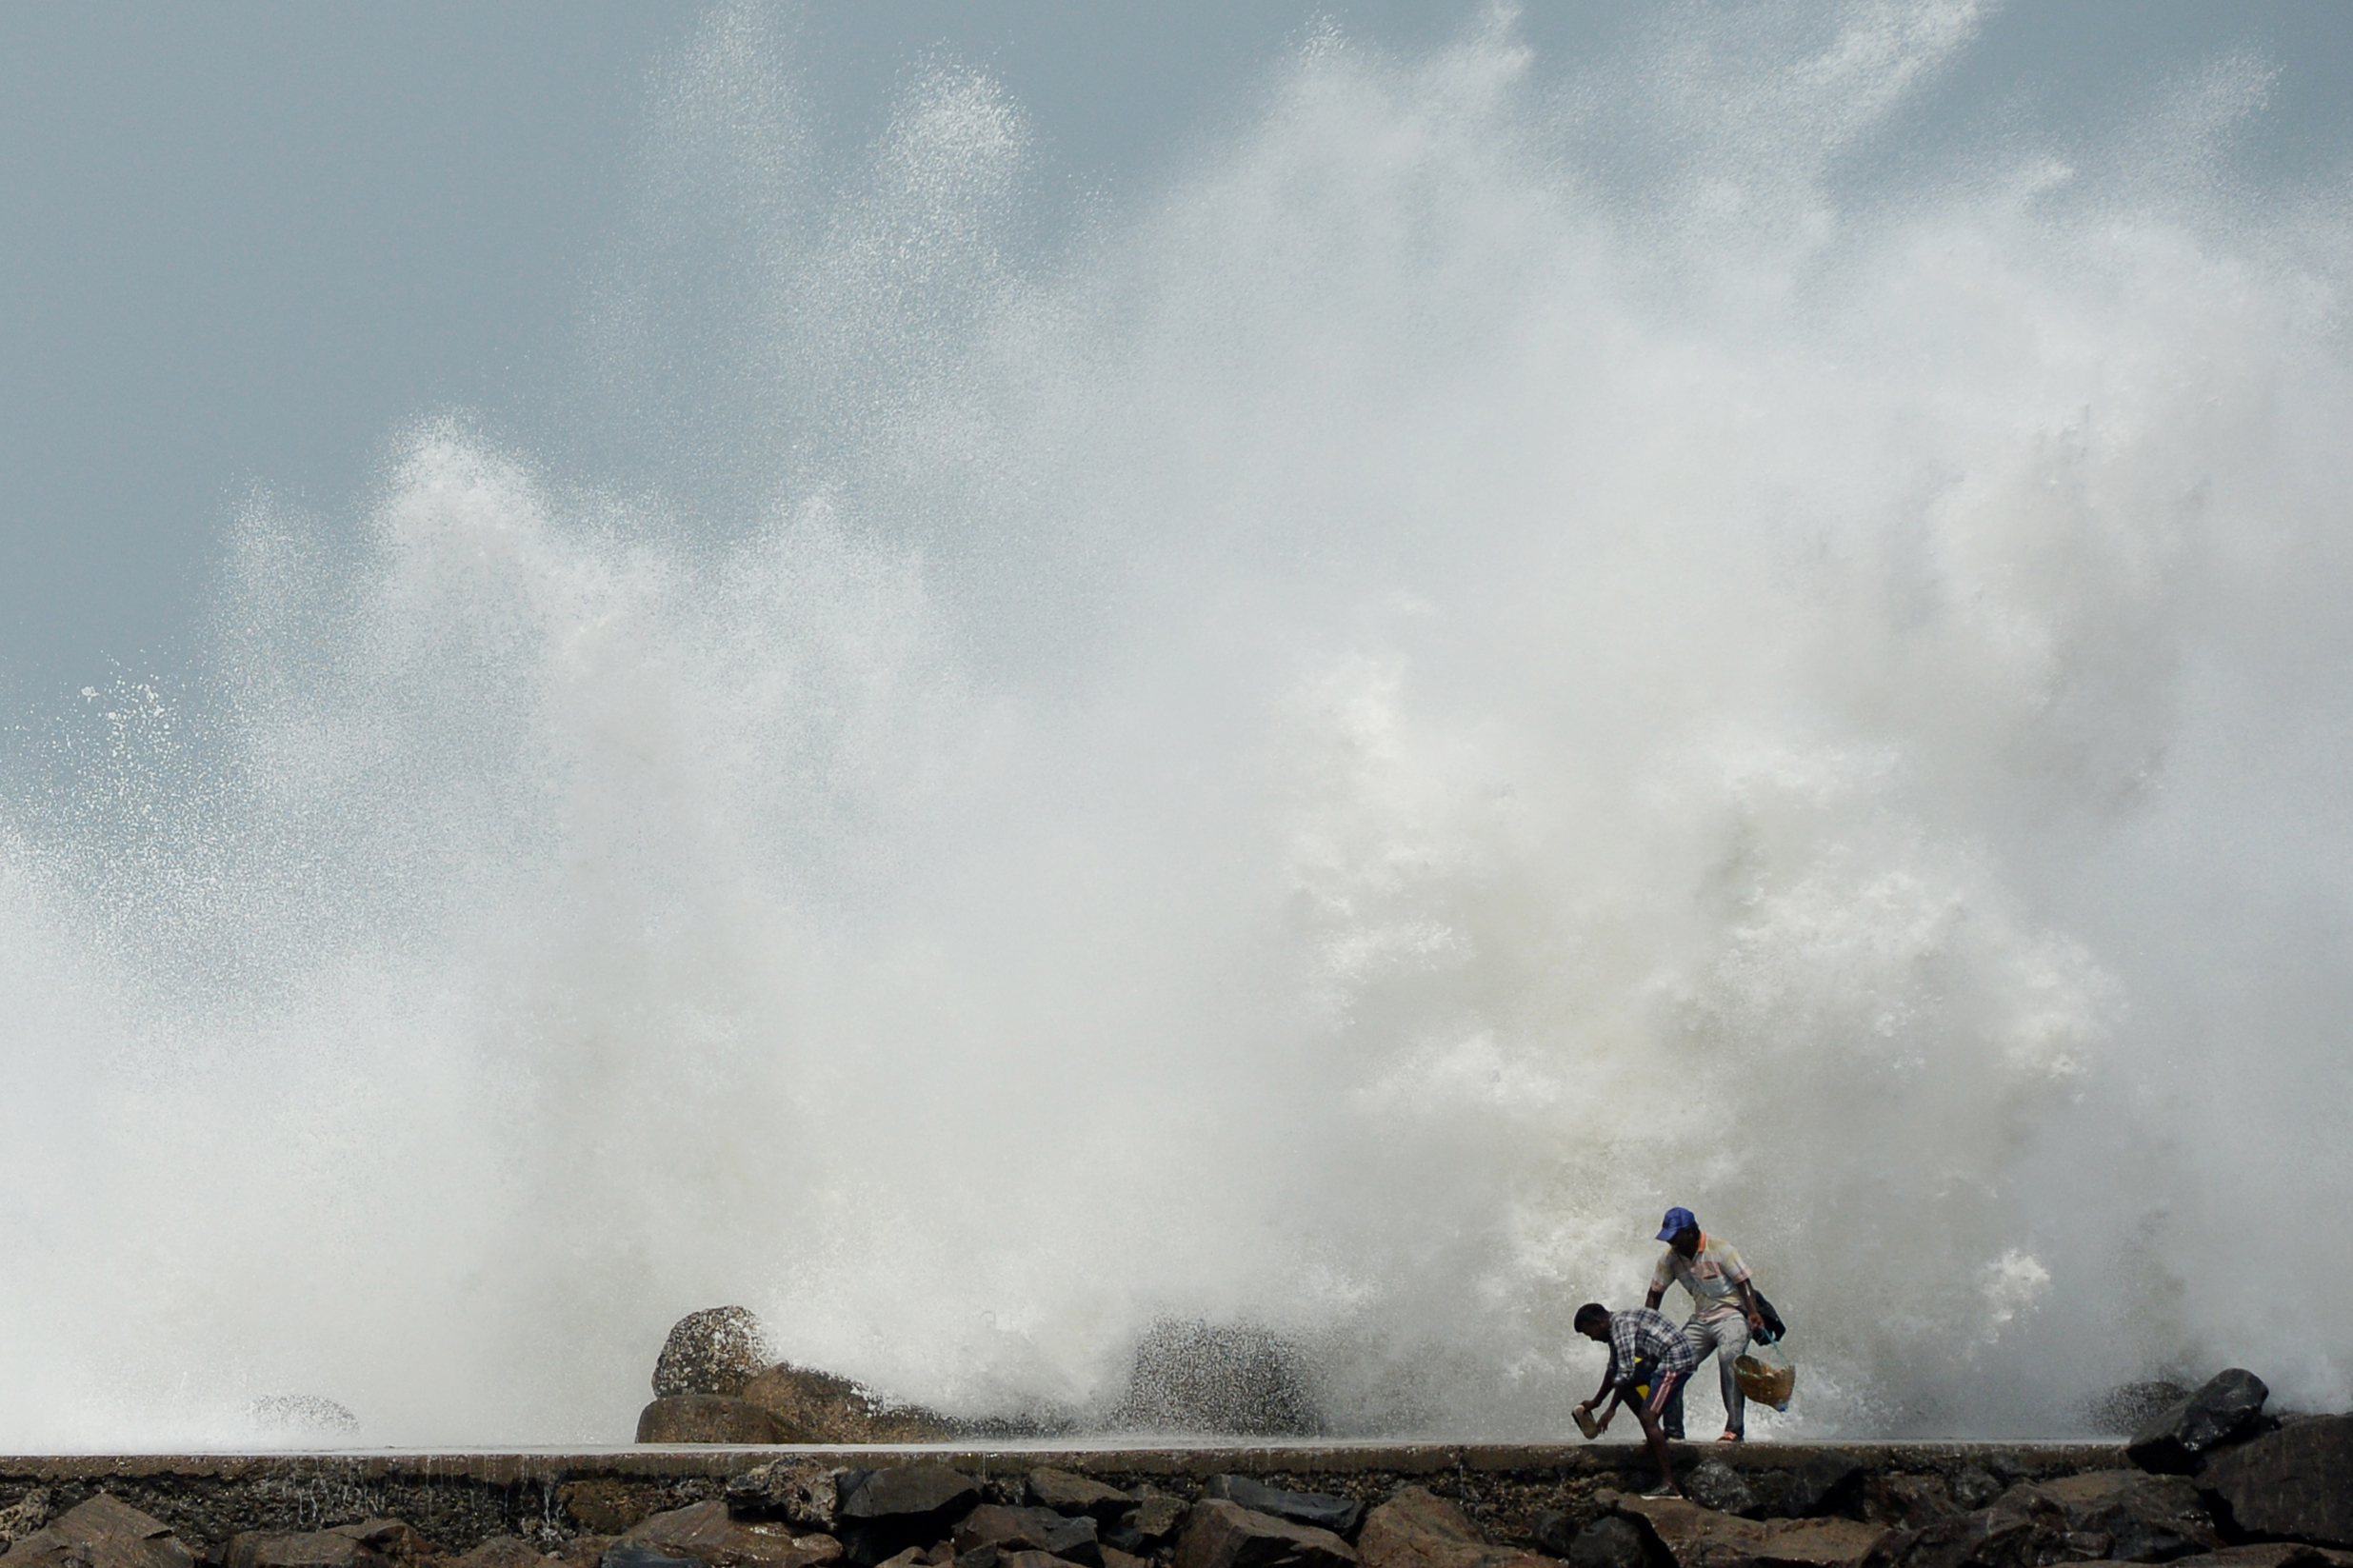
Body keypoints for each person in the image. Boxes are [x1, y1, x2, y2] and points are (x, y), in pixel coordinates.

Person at [1645, 1205, 1766, 1442]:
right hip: (1701, 1318)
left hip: (1732, 1313)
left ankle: (1734, 1429)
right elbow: (1655, 1293)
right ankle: (1673, 1431)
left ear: (1691, 1232)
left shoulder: (1720, 1248)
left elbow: (1744, 1282)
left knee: (1729, 1357)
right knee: (1671, 1362)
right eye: (1669, 1239)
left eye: (1675, 1238)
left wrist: (1752, 1312)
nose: (1672, 1244)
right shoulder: (1670, 1259)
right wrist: (1647, 1329)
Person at [1572, 1300, 1693, 1497]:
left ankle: (1669, 1484)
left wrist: (1611, 1409)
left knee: (1648, 1416)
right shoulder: (1613, 1328)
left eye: (1589, 1333)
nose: (1592, 1339)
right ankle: (1654, 1438)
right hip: (1657, 1359)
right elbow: (1614, 1369)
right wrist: (1596, 1401)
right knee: (1628, 1391)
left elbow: (1626, 1373)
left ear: (1598, 1323)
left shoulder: (1621, 1327)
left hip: (1675, 1359)